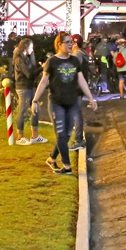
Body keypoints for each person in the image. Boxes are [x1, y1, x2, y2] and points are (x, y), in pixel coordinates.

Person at [32, 32, 98, 174]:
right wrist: (35, 100)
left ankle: (52, 158)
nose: (71, 44)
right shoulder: (52, 61)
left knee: (67, 135)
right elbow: (44, 81)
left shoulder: (75, 61)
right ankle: (67, 166)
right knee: (61, 133)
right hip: (56, 102)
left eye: (72, 42)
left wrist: (91, 98)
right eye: (67, 42)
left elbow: (81, 80)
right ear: (59, 44)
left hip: (72, 102)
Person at [13, 38, 47, 146]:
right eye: (31, 47)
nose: (32, 49)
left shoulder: (26, 58)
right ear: (26, 47)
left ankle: (35, 136)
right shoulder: (19, 59)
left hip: (30, 87)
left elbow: (32, 71)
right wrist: (42, 68)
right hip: (23, 87)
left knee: (36, 109)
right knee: (22, 111)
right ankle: (20, 137)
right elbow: (29, 74)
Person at [71, 35, 92, 150]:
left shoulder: (77, 55)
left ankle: (78, 139)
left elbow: (73, 70)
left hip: (75, 87)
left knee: (76, 114)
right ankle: (78, 138)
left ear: (75, 44)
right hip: (80, 87)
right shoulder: (83, 54)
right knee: (76, 113)